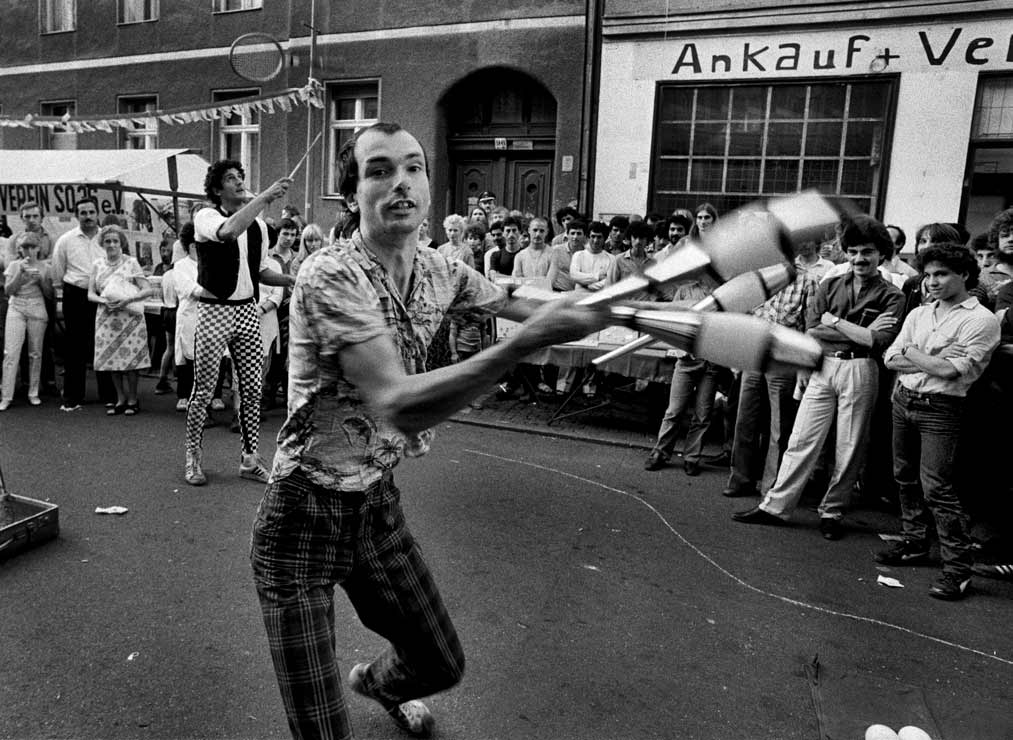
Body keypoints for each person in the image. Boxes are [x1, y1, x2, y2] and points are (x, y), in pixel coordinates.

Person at [249, 122, 605, 740]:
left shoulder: (443, 269)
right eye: (380, 170)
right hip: (302, 513)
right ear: (351, 193)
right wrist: (522, 347)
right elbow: (397, 404)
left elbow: (521, 304)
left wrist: (642, 310)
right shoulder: (330, 273)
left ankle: (377, 684)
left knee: (441, 662)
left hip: (376, 505)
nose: (400, 182)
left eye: (413, 167)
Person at [733, 215, 904, 539]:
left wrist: (835, 322)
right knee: (801, 438)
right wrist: (853, 330)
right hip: (824, 365)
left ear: (881, 253)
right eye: (852, 252)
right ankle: (775, 507)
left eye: (867, 252)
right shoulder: (830, 284)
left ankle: (832, 511)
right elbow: (813, 330)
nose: (859, 259)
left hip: (860, 368)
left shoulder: (892, 296)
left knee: (849, 445)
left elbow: (877, 341)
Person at [877, 243, 1000, 600]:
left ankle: (957, 570)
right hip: (904, 400)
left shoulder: (980, 320)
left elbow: (949, 372)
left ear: (964, 274)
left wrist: (913, 353)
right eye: (928, 275)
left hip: (942, 408)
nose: (932, 281)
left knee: (936, 487)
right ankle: (915, 542)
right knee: (903, 475)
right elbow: (889, 358)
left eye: (941, 274)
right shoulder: (919, 313)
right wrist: (928, 357)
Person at [183, 160, 296, 487]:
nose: (239, 182)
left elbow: (261, 271)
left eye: (241, 177)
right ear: (217, 189)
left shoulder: (259, 227)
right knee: (203, 389)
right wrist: (264, 197)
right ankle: (193, 456)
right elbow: (227, 231)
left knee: (251, 389)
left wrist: (291, 279)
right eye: (231, 178)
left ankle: (249, 459)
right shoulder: (206, 216)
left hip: (247, 311)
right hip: (214, 309)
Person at [722, 265, 819, 497]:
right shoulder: (756, 276)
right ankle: (741, 479)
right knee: (745, 419)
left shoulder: (807, 280)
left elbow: (811, 327)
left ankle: (772, 487)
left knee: (780, 425)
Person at [51, 197, 118, 411]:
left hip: (102, 293)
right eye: (83, 212)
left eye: (91, 211)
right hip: (76, 294)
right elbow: (58, 272)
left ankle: (108, 394)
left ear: (97, 213)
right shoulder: (66, 240)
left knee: (104, 343)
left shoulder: (107, 238)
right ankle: (73, 395)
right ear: (76, 215)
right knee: (75, 345)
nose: (88, 216)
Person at [86, 225, 157, 415]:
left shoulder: (131, 263)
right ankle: (120, 398)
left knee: (131, 360)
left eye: (115, 241)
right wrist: (103, 301)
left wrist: (129, 299)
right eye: (107, 241)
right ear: (102, 243)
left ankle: (133, 399)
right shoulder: (97, 265)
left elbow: (147, 289)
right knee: (112, 360)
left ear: (121, 243)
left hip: (129, 317)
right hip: (107, 316)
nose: (111, 245)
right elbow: (90, 294)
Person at [1, 232, 54, 410]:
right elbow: (8, 290)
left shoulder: (45, 267)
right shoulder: (15, 265)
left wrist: (40, 280)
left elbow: (49, 294)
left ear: (38, 248)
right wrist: (20, 275)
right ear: (19, 249)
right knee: (11, 352)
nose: (28, 251)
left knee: (36, 352)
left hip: (37, 305)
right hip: (16, 306)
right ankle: (6, 396)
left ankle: (33, 392)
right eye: (25, 247)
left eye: (32, 247)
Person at [570, 221, 615, 292]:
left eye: (599, 237)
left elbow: (608, 281)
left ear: (605, 239)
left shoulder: (611, 258)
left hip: (600, 299)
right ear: (588, 237)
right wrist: (598, 277)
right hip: (579, 298)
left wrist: (587, 285)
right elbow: (574, 275)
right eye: (593, 236)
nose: (595, 240)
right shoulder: (578, 255)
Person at [546, 220, 587, 292]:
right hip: (558, 291)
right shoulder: (556, 250)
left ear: (584, 236)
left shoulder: (587, 253)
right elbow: (549, 275)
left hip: (578, 294)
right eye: (572, 233)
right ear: (567, 235)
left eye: (579, 233)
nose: (575, 237)